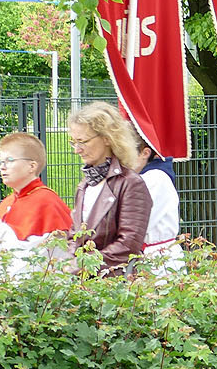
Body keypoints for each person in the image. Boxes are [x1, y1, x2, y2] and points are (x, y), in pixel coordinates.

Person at [65, 101, 153, 277]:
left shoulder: (131, 184)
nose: (77, 150)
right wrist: (69, 264)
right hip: (83, 283)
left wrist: (85, 266)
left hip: (115, 286)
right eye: (73, 142)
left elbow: (129, 245)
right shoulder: (84, 185)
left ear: (107, 138)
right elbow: (74, 236)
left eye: (82, 141)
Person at [0, 132, 73, 276]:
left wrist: (0, 230)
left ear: (31, 166)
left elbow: (37, 258)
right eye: (0, 162)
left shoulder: (47, 202)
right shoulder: (8, 202)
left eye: (9, 160)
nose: (2, 167)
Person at [132, 132, 184, 272]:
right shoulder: (144, 177)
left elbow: (137, 224)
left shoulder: (155, 178)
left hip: (160, 260)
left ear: (145, 153)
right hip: (149, 255)